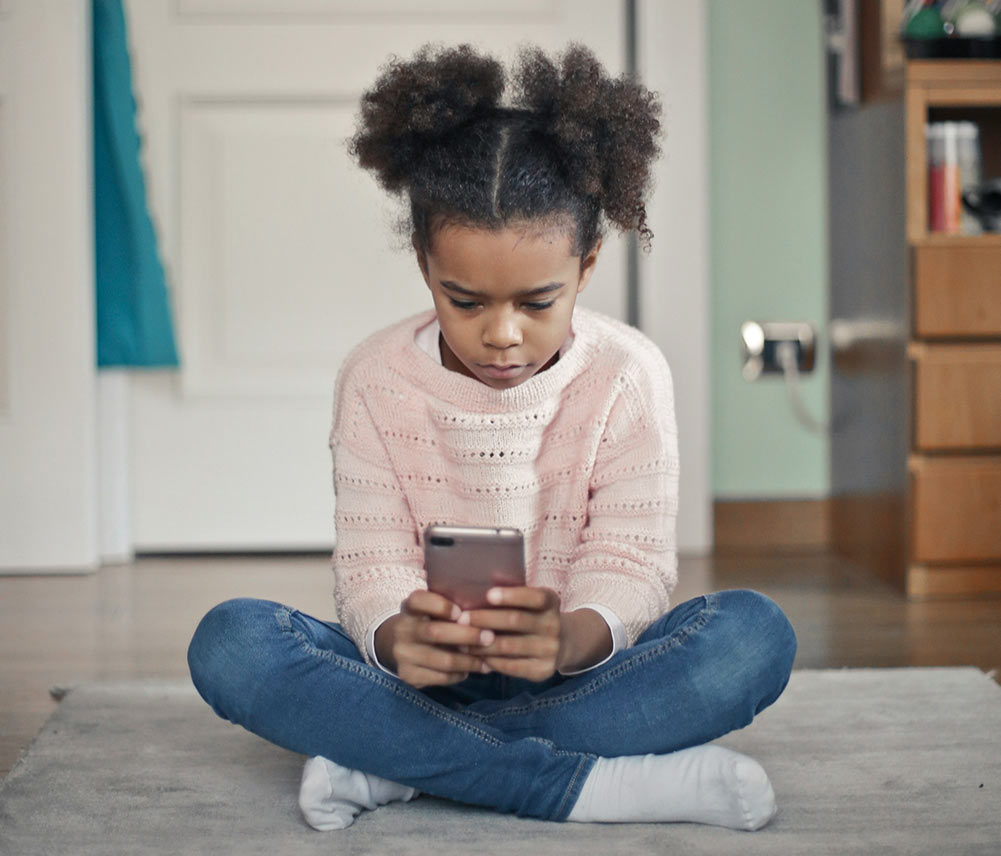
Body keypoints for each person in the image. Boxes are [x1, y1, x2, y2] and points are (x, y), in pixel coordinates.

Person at [187, 42, 797, 833]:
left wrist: (568, 640)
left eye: (537, 302)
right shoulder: (375, 378)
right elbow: (370, 565)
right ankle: (585, 785)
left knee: (752, 639)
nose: (501, 335)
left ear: (585, 265)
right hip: (416, 680)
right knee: (231, 643)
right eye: (464, 301)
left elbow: (632, 565)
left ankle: (396, 765)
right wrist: (394, 635)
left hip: (579, 675)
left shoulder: (627, 374)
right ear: (423, 266)